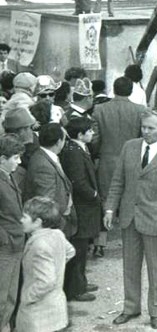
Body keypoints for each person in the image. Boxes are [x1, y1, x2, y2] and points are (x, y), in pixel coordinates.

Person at [103, 110, 157, 330]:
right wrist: (110, 209)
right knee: (130, 266)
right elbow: (118, 181)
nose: (146, 132)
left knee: (156, 268)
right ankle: (131, 307)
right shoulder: (129, 147)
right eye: (143, 127)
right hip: (129, 218)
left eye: (151, 128)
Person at [93, 77, 148, 257]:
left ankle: (100, 242)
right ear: (131, 91)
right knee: (130, 198)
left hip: (107, 159)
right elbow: (144, 139)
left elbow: (95, 140)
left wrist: (97, 153)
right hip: (132, 160)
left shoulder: (99, 109)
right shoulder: (140, 110)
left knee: (105, 199)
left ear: (113, 90)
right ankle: (130, 241)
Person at [15, 196, 75, 332]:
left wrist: (27, 297)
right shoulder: (57, 234)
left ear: (38, 222)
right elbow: (70, 251)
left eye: (24, 217)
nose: (21, 220)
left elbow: (46, 281)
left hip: (39, 314)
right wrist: (57, 266)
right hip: (57, 307)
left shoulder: (39, 245)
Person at [61, 117, 102, 302]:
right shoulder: (74, 152)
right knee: (79, 248)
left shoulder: (79, 148)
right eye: (89, 130)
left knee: (83, 247)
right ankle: (76, 288)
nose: (92, 133)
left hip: (85, 206)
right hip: (82, 206)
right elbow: (78, 180)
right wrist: (93, 195)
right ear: (80, 134)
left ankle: (81, 282)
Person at [22, 123, 77, 238]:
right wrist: (63, 214)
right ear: (58, 142)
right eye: (64, 139)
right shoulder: (43, 165)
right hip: (53, 228)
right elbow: (45, 202)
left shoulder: (46, 157)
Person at [0, 135, 24, 332]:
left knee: (10, 295)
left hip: (15, 243)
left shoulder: (7, 176)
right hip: (6, 246)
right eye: (15, 158)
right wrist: (5, 239)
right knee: (2, 296)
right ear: (2, 159)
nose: (19, 162)